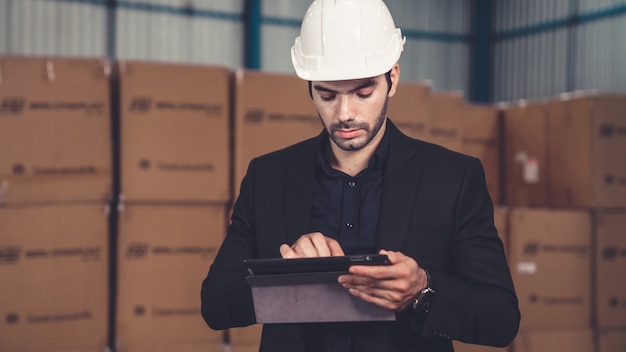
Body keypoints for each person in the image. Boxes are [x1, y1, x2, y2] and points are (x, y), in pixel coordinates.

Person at [201, 0, 520, 351]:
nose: (345, 113)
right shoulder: (268, 177)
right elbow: (215, 304)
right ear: (309, 87)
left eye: (363, 92)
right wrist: (282, 276)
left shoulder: (452, 179)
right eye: (327, 95)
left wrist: (423, 290)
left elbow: (500, 318)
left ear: (392, 79)